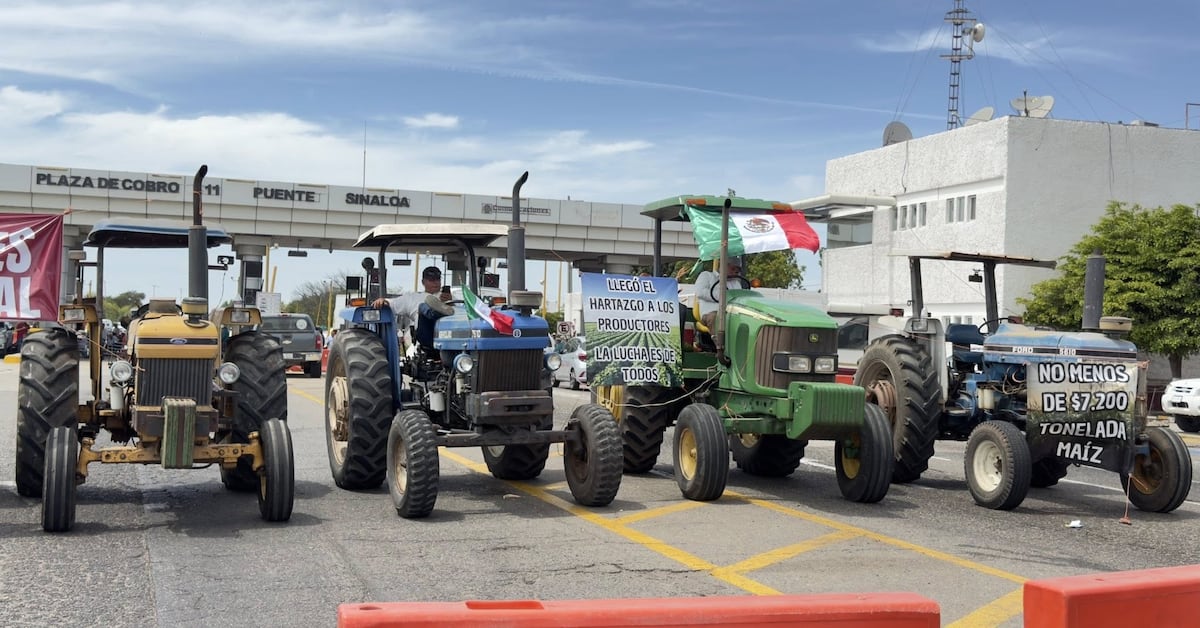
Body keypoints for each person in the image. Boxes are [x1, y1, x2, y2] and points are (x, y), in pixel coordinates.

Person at [372, 265, 454, 351]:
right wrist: (383, 301)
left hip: (450, 335)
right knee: (422, 307)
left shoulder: (452, 299)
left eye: (437, 279)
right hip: (427, 336)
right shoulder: (413, 297)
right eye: (431, 280)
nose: (435, 283)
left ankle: (441, 310)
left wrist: (452, 303)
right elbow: (393, 303)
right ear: (423, 282)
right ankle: (434, 311)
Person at [694, 259, 744, 330]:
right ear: (723, 265)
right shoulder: (706, 275)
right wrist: (722, 296)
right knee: (717, 318)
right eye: (733, 269)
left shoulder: (736, 283)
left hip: (731, 313)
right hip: (711, 312)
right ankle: (718, 337)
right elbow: (700, 292)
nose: (735, 272)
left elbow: (740, 298)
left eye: (738, 271)